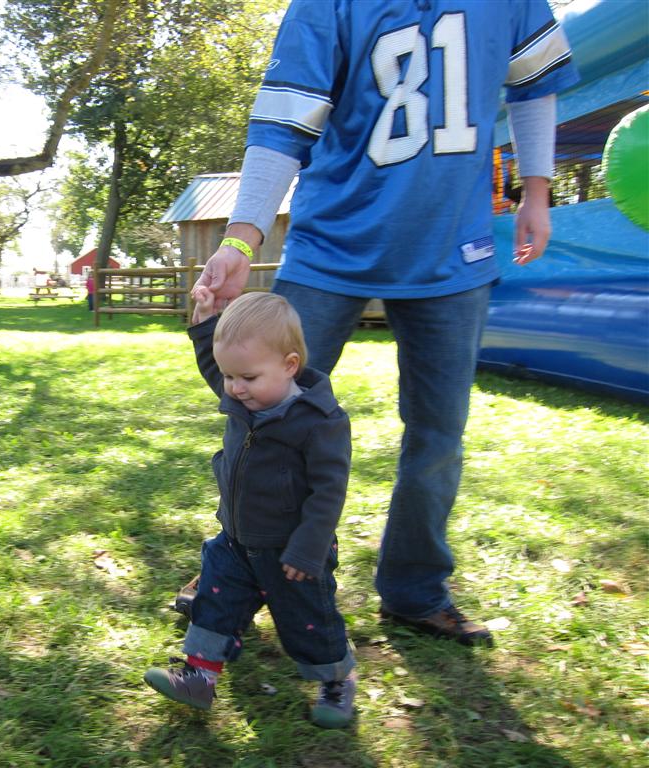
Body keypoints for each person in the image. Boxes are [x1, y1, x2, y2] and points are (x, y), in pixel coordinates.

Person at [191, 0, 579, 646]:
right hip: (331, 246)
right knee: (260, 411)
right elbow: (284, 121)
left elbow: (534, 81)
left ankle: (414, 590)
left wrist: (536, 190)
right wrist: (240, 237)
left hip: (452, 249)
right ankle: (236, 571)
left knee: (438, 435)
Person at [145, 290, 356, 728]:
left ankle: (336, 680)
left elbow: (329, 491)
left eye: (247, 377)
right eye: (229, 377)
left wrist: (309, 548)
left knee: (307, 620)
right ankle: (199, 678)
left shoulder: (320, 421)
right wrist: (206, 325)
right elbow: (215, 367)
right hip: (235, 540)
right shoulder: (245, 398)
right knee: (215, 602)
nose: (234, 388)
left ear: (290, 365)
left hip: (292, 551)